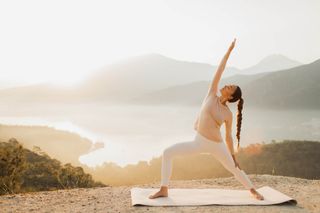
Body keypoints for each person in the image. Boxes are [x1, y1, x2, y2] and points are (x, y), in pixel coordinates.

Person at [149, 38, 264, 200]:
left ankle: (253, 190)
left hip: (217, 145)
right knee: (167, 152)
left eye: (229, 87)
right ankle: (164, 189)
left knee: (234, 168)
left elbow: (228, 137)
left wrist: (233, 156)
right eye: (229, 84)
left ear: (230, 96)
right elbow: (221, 69)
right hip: (198, 141)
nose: (226, 85)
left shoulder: (227, 114)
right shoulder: (212, 93)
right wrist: (229, 51)